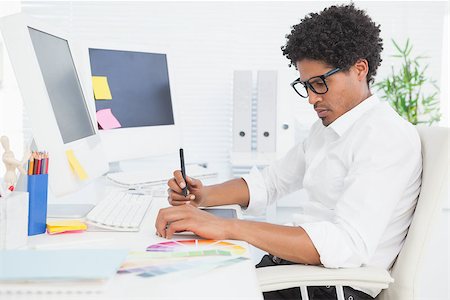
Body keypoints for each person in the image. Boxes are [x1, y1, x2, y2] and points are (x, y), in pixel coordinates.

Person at [155, 4, 422, 300]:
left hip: (329, 287)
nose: (311, 98)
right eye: (305, 86)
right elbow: (271, 183)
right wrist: (203, 196)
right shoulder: (327, 129)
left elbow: (346, 245)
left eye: (321, 84)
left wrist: (227, 227)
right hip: (297, 273)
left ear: (360, 69)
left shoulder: (385, 136)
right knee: (174, 280)